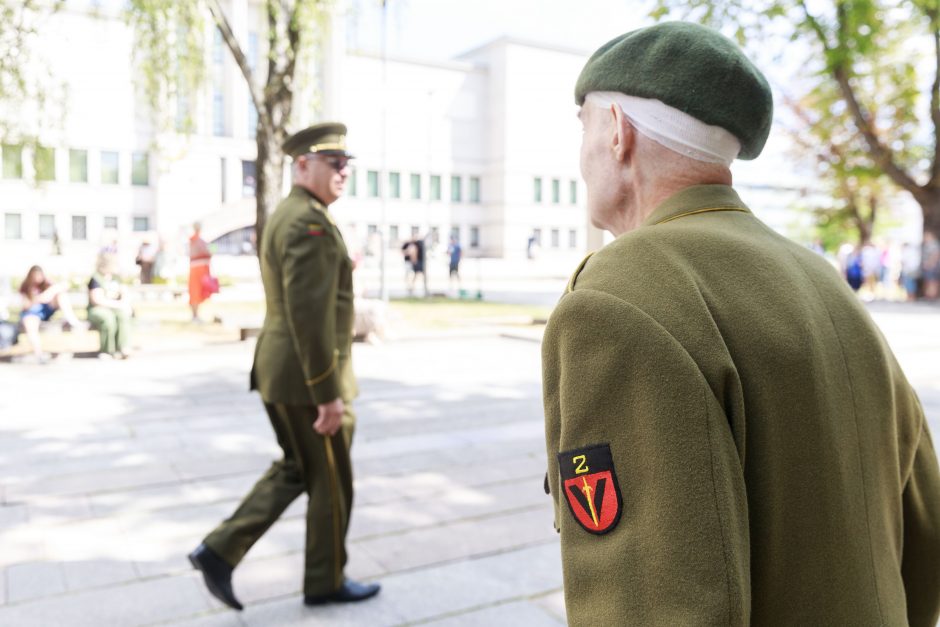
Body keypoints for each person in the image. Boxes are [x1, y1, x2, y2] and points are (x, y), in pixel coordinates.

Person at [542, 22, 940, 626]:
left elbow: (651, 605)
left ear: (618, 132)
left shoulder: (625, 291)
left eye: (584, 127)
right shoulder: (822, 278)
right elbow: (925, 528)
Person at [189, 122, 380, 610]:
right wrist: (327, 392)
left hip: (286, 371)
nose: (343, 172)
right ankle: (321, 580)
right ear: (302, 165)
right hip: (305, 378)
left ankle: (222, 551)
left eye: (346, 164)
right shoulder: (308, 223)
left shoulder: (297, 214)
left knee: (301, 468)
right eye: (333, 163)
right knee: (331, 481)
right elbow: (310, 315)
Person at [17, 265, 83, 363]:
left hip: (46, 310)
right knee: (31, 326)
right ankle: (39, 354)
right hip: (32, 312)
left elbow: (64, 286)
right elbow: (25, 305)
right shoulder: (25, 286)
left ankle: (71, 319)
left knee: (61, 294)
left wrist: (49, 293)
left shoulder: (47, 283)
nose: (37, 278)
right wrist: (39, 299)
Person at [87, 253, 132, 359]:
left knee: (123, 315)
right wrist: (117, 305)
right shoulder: (96, 278)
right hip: (98, 308)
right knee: (108, 318)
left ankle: (122, 347)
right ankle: (107, 350)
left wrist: (125, 304)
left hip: (115, 308)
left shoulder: (116, 278)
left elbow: (124, 292)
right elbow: (96, 300)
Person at [188, 222, 212, 321]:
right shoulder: (195, 240)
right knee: (195, 291)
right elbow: (206, 251)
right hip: (197, 268)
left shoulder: (198, 240)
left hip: (201, 268)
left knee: (198, 291)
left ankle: (196, 315)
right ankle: (195, 315)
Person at [923, 231, 940, 299]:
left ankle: (932, 296)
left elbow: (936, 254)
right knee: (930, 281)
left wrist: (930, 263)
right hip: (930, 266)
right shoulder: (928, 244)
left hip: (932, 267)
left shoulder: (934, 244)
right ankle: (931, 296)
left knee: (932, 281)